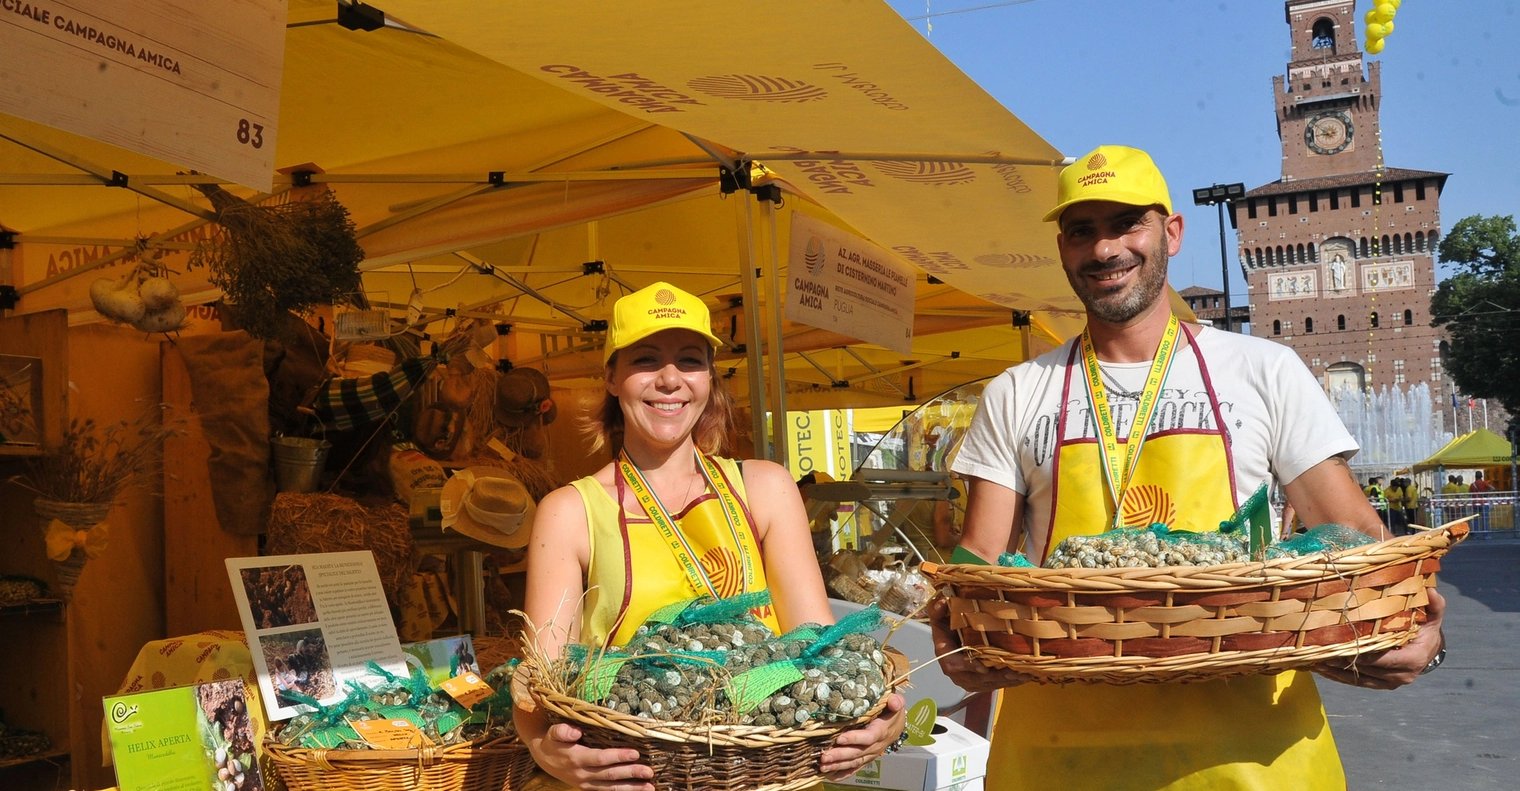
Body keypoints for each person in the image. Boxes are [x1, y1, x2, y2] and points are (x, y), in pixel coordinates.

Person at [929, 145, 1446, 791]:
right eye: (1081, 230)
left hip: (1253, 757)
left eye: (1125, 223)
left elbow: (1356, 540)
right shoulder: (1017, 390)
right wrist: (959, 626)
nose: (1104, 248)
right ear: (1061, 247)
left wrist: (1418, 628)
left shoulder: (1262, 369)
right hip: (1063, 755)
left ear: (1170, 232)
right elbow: (981, 553)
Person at [516, 282, 906, 791]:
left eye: (690, 360)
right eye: (647, 360)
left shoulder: (765, 488)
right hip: (633, 773)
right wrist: (543, 749)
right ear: (612, 377)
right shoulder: (569, 512)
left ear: (710, 378)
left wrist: (883, 719)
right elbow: (539, 681)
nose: (670, 380)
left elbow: (819, 644)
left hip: (763, 771)